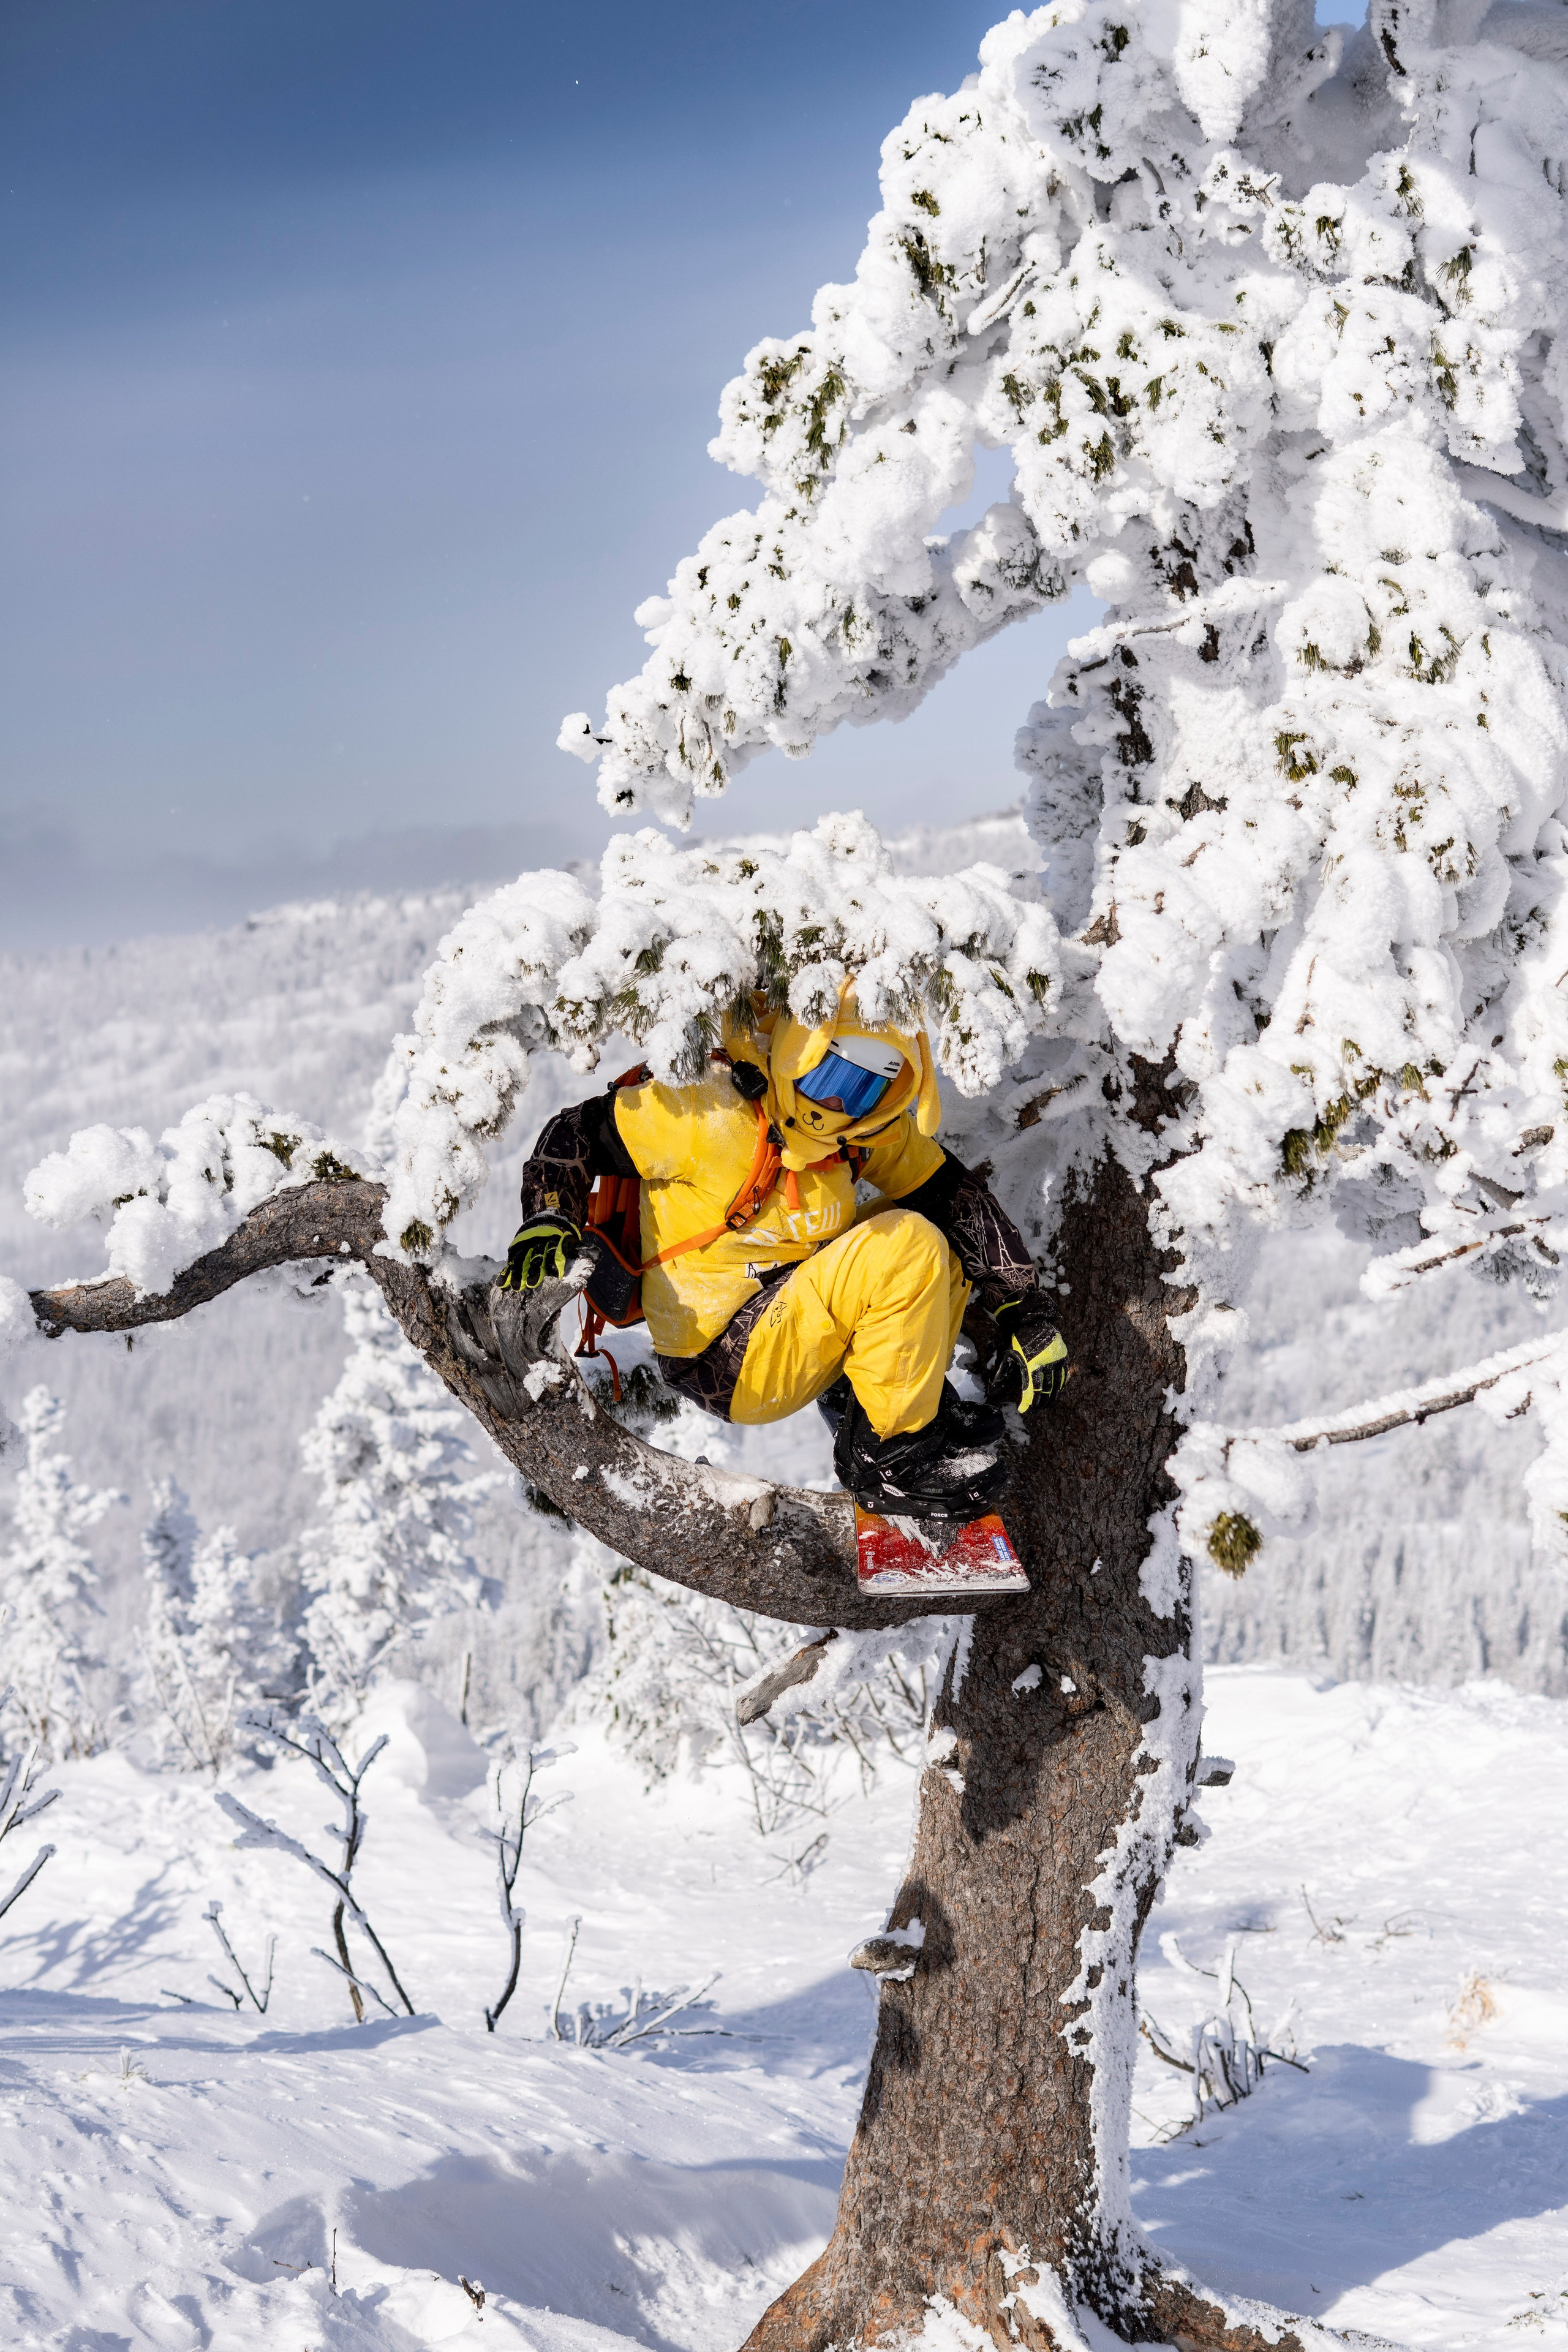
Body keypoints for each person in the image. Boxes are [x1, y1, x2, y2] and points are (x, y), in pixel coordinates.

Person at [500, 993, 1067, 1524]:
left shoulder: (860, 1132)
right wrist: (551, 1214)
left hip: (791, 1311)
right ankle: (893, 1459)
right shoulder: (704, 1112)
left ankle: (886, 1412)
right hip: (720, 1355)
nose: (839, 1103)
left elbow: (951, 1193)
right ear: (799, 1052)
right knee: (907, 1245)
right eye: (833, 1075)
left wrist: (1026, 1310)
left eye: (867, 1090)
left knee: (938, 1235)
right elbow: (575, 1132)